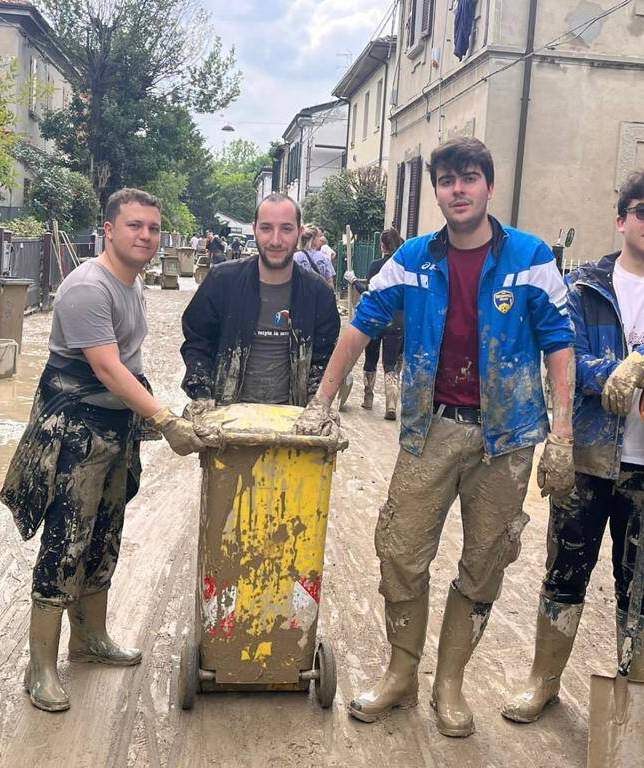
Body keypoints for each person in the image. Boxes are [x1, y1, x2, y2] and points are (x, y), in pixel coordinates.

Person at [295, 137, 577, 738]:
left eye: (469, 178)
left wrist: (564, 437)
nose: (458, 190)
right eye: (447, 181)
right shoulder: (413, 259)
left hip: (507, 440)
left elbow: (560, 345)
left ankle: (448, 684)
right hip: (431, 430)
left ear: (488, 186)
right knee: (399, 552)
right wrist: (322, 402)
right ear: (437, 192)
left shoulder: (530, 258)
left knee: (485, 562)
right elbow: (361, 326)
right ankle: (401, 676)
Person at [501, 171, 644, 753]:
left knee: (642, 581)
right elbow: (563, 350)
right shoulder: (581, 286)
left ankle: (638, 697)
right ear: (622, 217)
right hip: (588, 456)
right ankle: (543, 682)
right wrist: (617, 375)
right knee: (565, 572)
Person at [1, 188, 206, 713]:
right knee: (66, 539)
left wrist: (152, 412)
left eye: (153, 229)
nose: (146, 236)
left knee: (104, 533)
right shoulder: (87, 288)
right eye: (135, 226)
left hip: (114, 427)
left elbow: (130, 363)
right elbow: (106, 368)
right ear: (109, 230)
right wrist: (162, 417)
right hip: (74, 427)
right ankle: (40, 665)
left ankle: (89, 640)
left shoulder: (132, 283)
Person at [180, 193, 340, 410]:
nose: (276, 240)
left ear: (299, 233)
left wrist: (316, 406)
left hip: (292, 421)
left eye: (286, 228)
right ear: (254, 229)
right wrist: (201, 393)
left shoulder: (319, 294)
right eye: (266, 228)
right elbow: (198, 342)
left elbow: (323, 360)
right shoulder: (222, 281)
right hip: (225, 417)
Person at [345, 228, 406, 418]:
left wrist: (354, 280)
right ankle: (391, 403)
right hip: (398, 320)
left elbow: (370, 294)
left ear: (383, 245)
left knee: (370, 360)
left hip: (376, 320)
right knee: (391, 364)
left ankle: (368, 398)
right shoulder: (405, 266)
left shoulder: (376, 265)